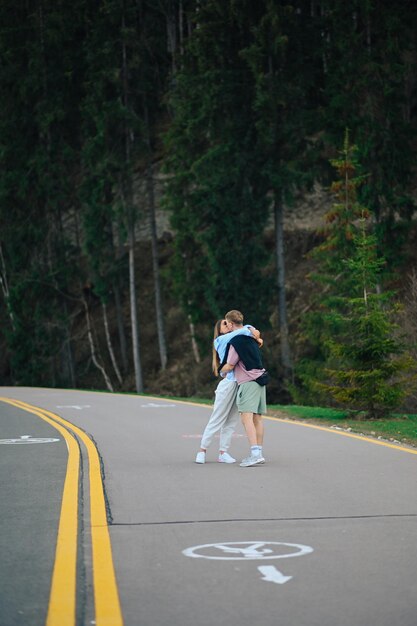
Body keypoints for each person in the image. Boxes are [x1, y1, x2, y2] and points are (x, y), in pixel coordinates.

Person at [195, 311, 262, 464]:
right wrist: (253, 331)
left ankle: (223, 452)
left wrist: (253, 333)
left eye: (228, 322)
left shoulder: (238, 335)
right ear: (220, 330)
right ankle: (202, 450)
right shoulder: (221, 340)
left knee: (231, 420)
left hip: (239, 382)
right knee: (217, 418)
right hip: (228, 383)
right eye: (225, 324)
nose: (228, 325)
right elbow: (247, 332)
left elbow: (247, 333)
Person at [220, 313, 268, 467]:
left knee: (246, 418)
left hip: (247, 382)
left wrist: (221, 371)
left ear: (230, 323)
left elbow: (230, 364)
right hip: (261, 378)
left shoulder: (235, 341)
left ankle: (254, 454)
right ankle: (258, 452)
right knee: (257, 418)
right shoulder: (252, 337)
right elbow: (258, 337)